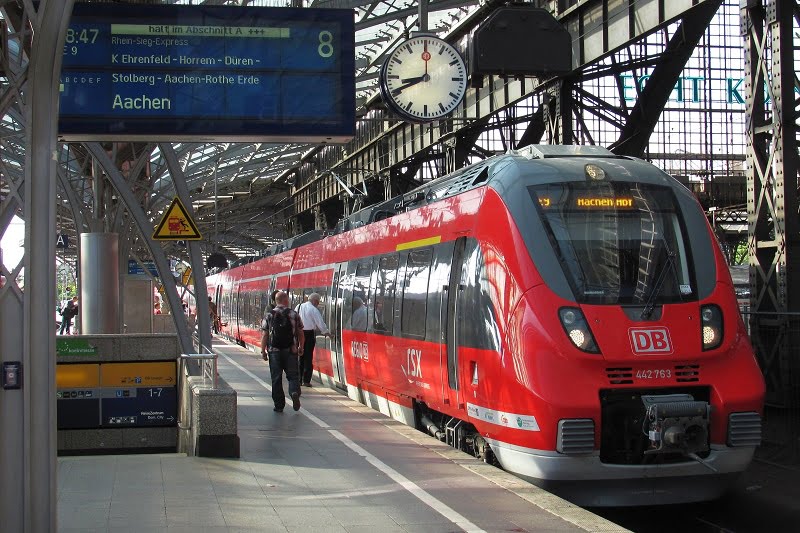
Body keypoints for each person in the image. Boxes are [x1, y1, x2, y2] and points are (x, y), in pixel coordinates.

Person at [260, 291, 304, 412]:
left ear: (275, 301)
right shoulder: (294, 314)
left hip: (274, 351)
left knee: (276, 378)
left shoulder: (269, 315)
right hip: (291, 349)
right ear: (286, 300)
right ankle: (294, 392)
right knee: (293, 376)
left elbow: (265, 334)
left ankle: (279, 405)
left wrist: (263, 350)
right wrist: (301, 347)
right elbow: (300, 332)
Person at [297, 293, 330, 387]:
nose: (318, 303)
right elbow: (320, 322)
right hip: (309, 334)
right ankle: (306, 380)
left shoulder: (299, 306)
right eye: (318, 302)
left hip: (299, 333)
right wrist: (326, 332)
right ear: (315, 300)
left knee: (300, 356)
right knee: (308, 357)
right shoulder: (313, 309)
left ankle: (299, 379)